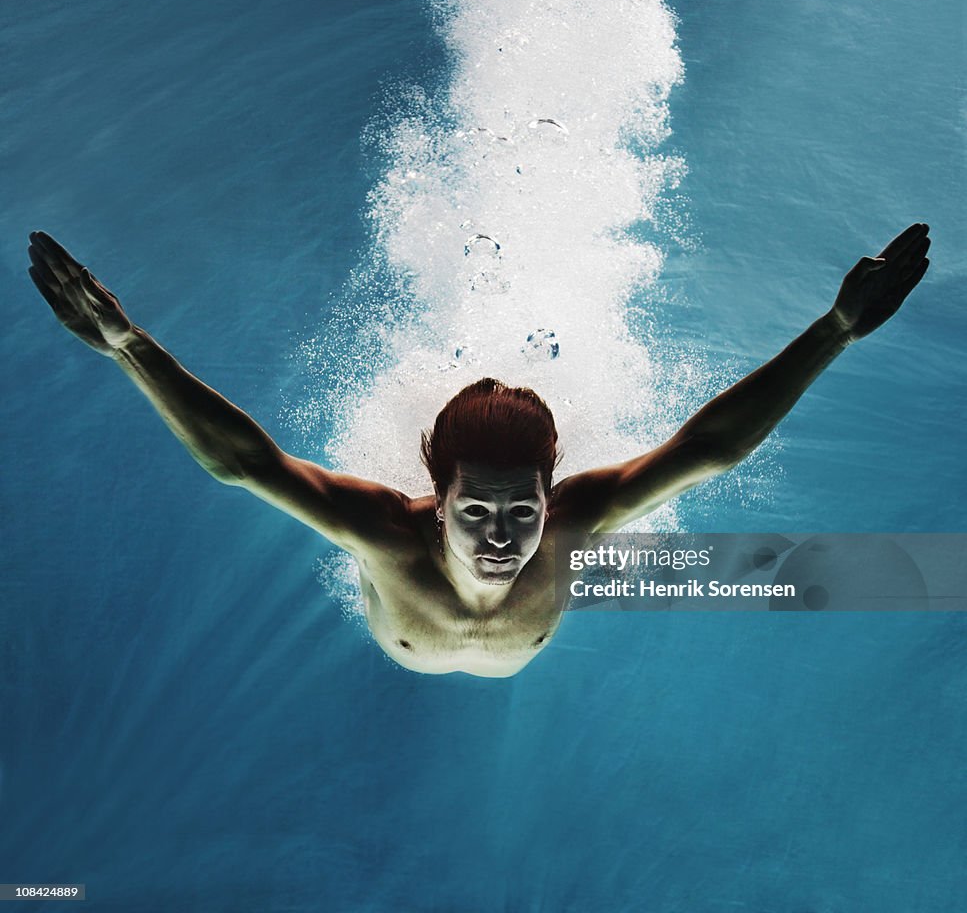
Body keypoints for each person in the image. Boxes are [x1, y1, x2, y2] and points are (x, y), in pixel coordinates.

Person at [27, 225, 931, 676]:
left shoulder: (576, 522)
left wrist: (835, 330)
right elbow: (246, 465)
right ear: (434, 493)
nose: (502, 535)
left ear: (551, 491)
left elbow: (708, 450)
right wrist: (129, 346)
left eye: (521, 508)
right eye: (475, 510)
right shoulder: (382, 533)